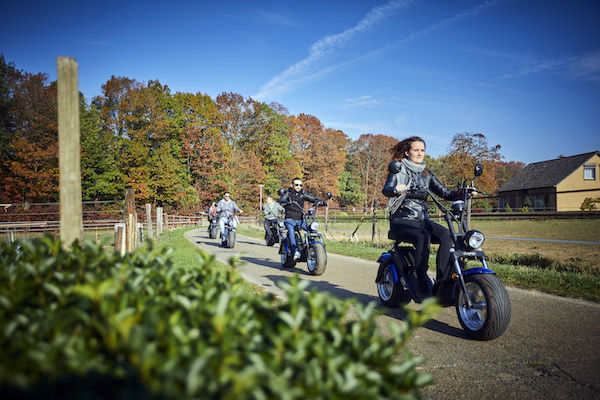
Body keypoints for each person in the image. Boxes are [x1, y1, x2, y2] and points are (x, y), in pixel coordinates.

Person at [382, 136, 462, 298]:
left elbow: (445, 193)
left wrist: (463, 193)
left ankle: (442, 281)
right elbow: (387, 189)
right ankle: (421, 280)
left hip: (422, 221)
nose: (420, 153)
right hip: (402, 220)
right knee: (422, 235)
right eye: (416, 150)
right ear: (407, 152)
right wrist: (397, 189)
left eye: (422, 150)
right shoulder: (399, 170)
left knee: (447, 235)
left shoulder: (426, 174)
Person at [279, 178, 325, 260]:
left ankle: (310, 247)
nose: (298, 187)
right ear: (292, 185)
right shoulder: (288, 193)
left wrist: (319, 201)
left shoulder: (302, 193)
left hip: (300, 219)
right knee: (291, 232)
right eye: (296, 185)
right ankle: (295, 250)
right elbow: (282, 199)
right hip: (290, 219)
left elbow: (312, 198)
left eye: (300, 185)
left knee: (311, 229)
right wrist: (285, 201)